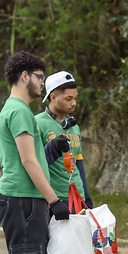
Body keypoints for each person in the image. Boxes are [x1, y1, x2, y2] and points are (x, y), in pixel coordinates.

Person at [0, 50, 64, 254]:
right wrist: (54, 200)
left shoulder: (15, 108)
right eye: (40, 77)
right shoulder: (19, 111)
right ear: (25, 76)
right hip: (22, 200)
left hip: (23, 199)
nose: (43, 83)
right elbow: (28, 160)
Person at [35, 70, 89, 207]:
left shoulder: (74, 126)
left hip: (78, 198)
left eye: (75, 98)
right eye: (68, 99)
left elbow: (79, 166)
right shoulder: (37, 123)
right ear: (53, 97)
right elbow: (34, 164)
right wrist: (52, 147)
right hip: (54, 200)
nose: (74, 103)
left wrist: (87, 199)